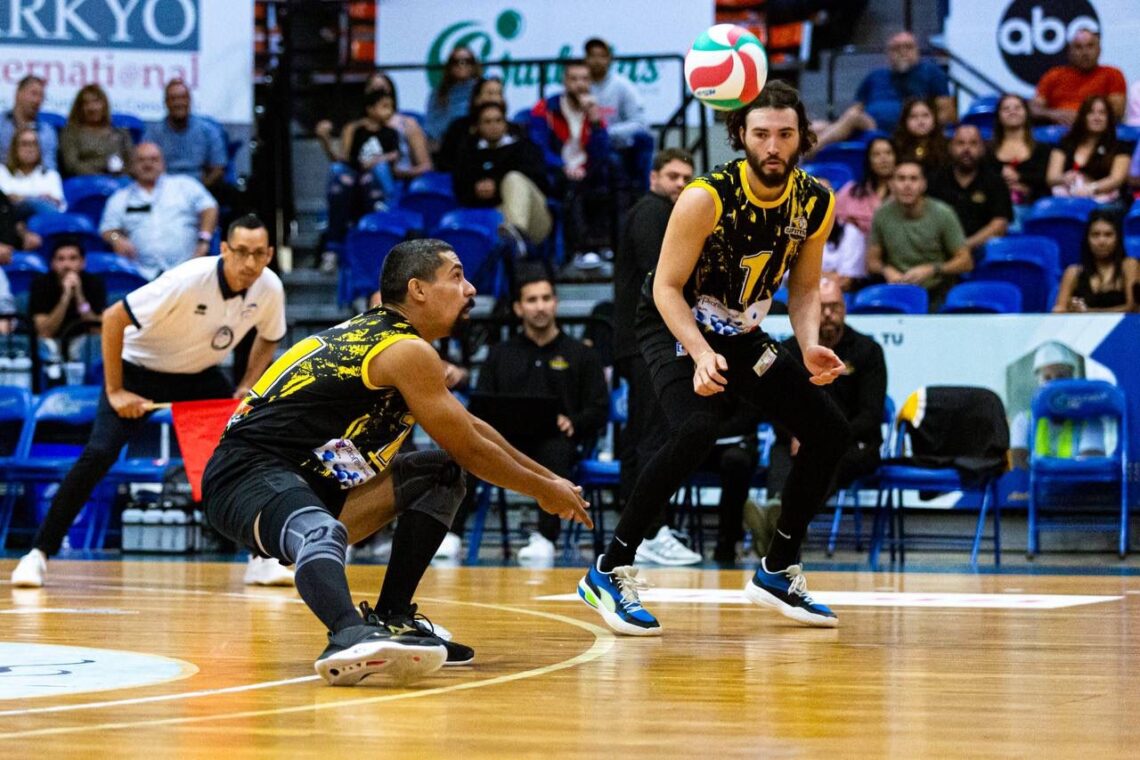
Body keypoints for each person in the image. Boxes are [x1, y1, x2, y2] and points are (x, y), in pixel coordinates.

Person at [201, 238, 591, 685]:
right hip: (245, 477)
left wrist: (552, 480)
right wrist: (544, 492)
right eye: (457, 276)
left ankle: (393, 617)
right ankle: (348, 634)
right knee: (321, 530)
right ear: (418, 290)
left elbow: (473, 430)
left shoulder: (400, 342)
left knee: (442, 472)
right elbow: (473, 449)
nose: (471, 289)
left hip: (314, 484)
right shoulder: (403, 350)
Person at [577, 81, 850, 635]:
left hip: (739, 329)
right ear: (740, 136)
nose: (773, 146)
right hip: (673, 321)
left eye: (785, 134)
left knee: (830, 431)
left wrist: (807, 340)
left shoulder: (816, 201)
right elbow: (665, 288)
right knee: (697, 427)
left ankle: (777, 568)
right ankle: (610, 567)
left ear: (802, 139)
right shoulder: (706, 196)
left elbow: (802, 288)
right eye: (761, 134)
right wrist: (699, 353)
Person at [10, 214, 289, 589]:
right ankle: (37, 555)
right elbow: (112, 318)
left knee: (239, 456)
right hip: (138, 369)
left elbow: (269, 336)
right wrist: (116, 392)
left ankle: (259, 558)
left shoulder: (269, 287)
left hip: (200, 376)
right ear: (224, 250)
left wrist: (247, 385)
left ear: (270, 254)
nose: (250, 263)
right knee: (99, 454)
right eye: (241, 252)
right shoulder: (187, 280)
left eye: (259, 254)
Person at [472, 271, 608, 563]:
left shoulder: (582, 355)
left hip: (557, 443)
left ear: (556, 303)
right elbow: (480, 405)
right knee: (466, 450)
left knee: (555, 450)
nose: (540, 306)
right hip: (505, 444)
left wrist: (574, 422)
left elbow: (599, 408)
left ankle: (546, 537)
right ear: (519, 308)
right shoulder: (499, 354)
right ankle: (453, 535)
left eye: (546, 298)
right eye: (532, 300)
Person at [747, 277, 887, 552]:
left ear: (845, 308)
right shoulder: (788, 349)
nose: (828, 315)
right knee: (782, 450)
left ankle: (784, 524)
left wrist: (824, 433)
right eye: (821, 307)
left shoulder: (867, 351)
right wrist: (797, 433)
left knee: (827, 452)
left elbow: (870, 415)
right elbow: (775, 407)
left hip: (854, 441)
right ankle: (778, 516)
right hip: (798, 436)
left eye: (834, 307)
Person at [612, 147, 702, 566]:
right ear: (653, 178)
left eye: (687, 178)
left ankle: (644, 529)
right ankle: (651, 532)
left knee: (646, 436)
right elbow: (664, 272)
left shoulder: (659, 212)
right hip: (646, 340)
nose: (680, 185)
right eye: (672, 176)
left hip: (641, 340)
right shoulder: (652, 212)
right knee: (654, 435)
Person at [529, 59, 613, 262]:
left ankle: (605, 247)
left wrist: (595, 124)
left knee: (612, 176)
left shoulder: (593, 111)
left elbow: (602, 153)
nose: (579, 84)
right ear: (565, 82)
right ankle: (579, 251)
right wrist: (563, 167)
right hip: (555, 172)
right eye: (574, 79)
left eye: (584, 79)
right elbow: (538, 149)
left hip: (586, 171)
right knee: (573, 186)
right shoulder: (545, 108)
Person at [813, 31, 953, 149]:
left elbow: (947, 112)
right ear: (888, 53)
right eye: (896, 48)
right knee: (814, 127)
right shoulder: (875, 75)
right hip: (865, 126)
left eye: (908, 47)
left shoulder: (931, 72)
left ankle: (809, 154)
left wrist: (919, 126)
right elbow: (855, 108)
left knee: (853, 117)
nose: (903, 52)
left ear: (917, 50)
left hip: (899, 130)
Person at [99, 143, 219, 280]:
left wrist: (204, 239)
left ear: (163, 163)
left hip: (187, 271)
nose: (148, 164)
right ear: (132, 165)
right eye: (141, 160)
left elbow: (210, 208)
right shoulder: (120, 198)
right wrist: (117, 239)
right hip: (141, 274)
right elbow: (107, 229)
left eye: (153, 159)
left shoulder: (185, 185)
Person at [866, 158, 972, 310]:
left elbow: (966, 261)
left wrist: (932, 269)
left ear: (924, 185)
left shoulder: (943, 213)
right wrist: (887, 270)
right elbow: (871, 262)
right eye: (901, 179)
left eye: (913, 179)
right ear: (891, 184)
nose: (907, 185)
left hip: (936, 291)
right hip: (897, 290)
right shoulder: (882, 214)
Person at [452, 102, 552, 247]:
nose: (494, 126)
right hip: (491, 216)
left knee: (514, 179)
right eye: (487, 121)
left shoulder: (525, 147)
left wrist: (497, 186)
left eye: (498, 120)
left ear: (506, 123)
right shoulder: (468, 152)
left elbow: (541, 181)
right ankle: (511, 240)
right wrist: (476, 190)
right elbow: (460, 189)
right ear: (477, 126)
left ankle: (515, 235)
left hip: (533, 215)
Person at [1009, 342, 1104, 470]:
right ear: (1038, 382)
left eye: (1061, 377)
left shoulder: (1091, 422)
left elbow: (1089, 471)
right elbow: (1019, 471)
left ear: (1072, 378)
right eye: (1047, 378)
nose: (1054, 385)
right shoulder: (1023, 422)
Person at [927, 124, 1012, 259]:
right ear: (951, 148)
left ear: (982, 149)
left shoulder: (995, 181)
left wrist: (964, 246)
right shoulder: (935, 180)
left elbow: (999, 224)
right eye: (960, 143)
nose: (966, 149)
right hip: (942, 251)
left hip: (983, 250)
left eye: (973, 144)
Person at [585, 36, 654, 194]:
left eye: (601, 56)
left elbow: (640, 123)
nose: (596, 60)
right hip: (584, 146)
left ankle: (643, 198)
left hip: (617, 146)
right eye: (592, 55)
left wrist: (606, 133)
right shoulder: (580, 84)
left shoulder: (623, 86)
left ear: (609, 59)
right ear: (586, 59)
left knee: (642, 142)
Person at [826, 137, 895, 291]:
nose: (883, 158)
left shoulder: (904, 196)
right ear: (868, 160)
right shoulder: (850, 192)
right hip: (853, 266)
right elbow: (830, 223)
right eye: (877, 154)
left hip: (889, 264)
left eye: (888, 153)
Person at [27, 237, 106, 362]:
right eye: (61, 259)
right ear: (52, 263)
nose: (66, 265)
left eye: (73, 258)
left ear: (82, 262)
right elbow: (44, 331)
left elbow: (96, 328)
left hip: (83, 343)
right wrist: (65, 297)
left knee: (96, 343)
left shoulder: (94, 283)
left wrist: (79, 296)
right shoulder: (40, 284)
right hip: (51, 342)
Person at [142, 80, 227, 192]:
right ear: (166, 103)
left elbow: (218, 168)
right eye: (173, 99)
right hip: (163, 189)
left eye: (182, 98)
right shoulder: (153, 133)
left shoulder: (208, 130)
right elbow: (145, 166)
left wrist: (200, 189)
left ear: (189, 101)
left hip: (200, 187)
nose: (178, 103)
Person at [1046, 95, 1132, 206]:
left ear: (1109, 118)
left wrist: (1091, 188)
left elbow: (1116, 179)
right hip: (1066, 201)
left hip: (1105, 205)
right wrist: (1064, 179)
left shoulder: (1120, 147)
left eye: (1102, 113)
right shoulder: (1065, 143)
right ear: (1083, 117)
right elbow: (1051, 178)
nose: (1097, 117)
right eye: (1091, 112)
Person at [1032, 30, 1126, 126]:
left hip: (1100, 132)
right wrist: (1054, 114)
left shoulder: (1113, 74)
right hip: (1058, 133)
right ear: (1069, 52)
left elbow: (1117, 112)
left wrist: (1082, 117)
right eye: (1078, 47)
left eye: (1090, 46)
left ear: (1099, 50)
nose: (1085, 52)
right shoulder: (1053, 75)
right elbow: (1034, 109)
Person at [1052, 210, 1137, 313]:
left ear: (1118, 238)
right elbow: (1059, 310)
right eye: (1095, 235)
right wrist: (1069, 310)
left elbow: (1132, 308)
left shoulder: (1129, 265)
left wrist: (1087, 312)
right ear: (1087, 239)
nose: (1101, 241)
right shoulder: (1073, 272)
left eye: (1108, 235)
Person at [986, 94, 1051, 216]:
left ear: (1026, 113)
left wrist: (1020, 177)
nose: (1012, 111)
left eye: (1017, 107)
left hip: (1034, 208)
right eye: (1006, 109)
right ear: (998, 116)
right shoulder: (988, 151)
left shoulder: (1042, 149)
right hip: (996, 208)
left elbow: (1045, 181)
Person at [58, 84, 133, 177]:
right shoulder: (70, 133)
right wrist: (104, 167)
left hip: (119, 182)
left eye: (96, 102)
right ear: (79, 108)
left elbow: (131, 163)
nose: (92, 108)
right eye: (86, 103)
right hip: (83, 184)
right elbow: (71, 166)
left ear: (104, 104)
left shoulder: (120, 132)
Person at [436, 76, 507, 173]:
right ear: (477, 98)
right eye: (490, 93)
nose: (495, 98)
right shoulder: (458, 128)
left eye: (499, 94)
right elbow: (444, 163)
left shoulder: (515, 130)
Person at [425, 46, 482, 156]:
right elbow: (432, 124)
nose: (461, 65)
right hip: (444, 145)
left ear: (474, 65)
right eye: (456, 62)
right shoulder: (438, 93)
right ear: (449, 66)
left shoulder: (482, 89)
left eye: (467, 61)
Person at [0, 127, 65, 217]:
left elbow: (58, 206)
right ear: (15, 148)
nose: (30, 149)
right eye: (25, 144)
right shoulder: (3, 172)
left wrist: (20, 198)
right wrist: (37, 198)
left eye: (34, 144)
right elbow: (6, 201)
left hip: (43, 221)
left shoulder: (50, 175)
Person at [0, 75, 59, 172]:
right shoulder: (1, 124)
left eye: (41, 96)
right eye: (33, 94)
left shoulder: (47, 132)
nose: (37, 100)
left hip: (37, 183)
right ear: (18, 94)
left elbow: (49, 168)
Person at [891, 97, 949, 175]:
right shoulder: (895, 147)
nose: (920, 121)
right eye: (913, 116)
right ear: (904, 121)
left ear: (934, 118)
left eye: (925, 115)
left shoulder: (947, 146)